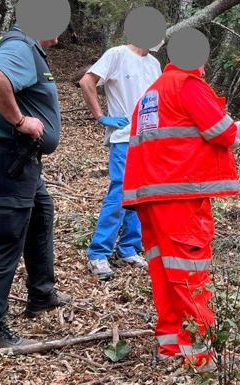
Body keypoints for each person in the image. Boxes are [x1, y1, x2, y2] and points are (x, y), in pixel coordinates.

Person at [122, 61, 240, 369]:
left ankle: (171, 345)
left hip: (150, 196)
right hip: (180, 195)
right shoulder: (187, 86)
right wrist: (236, 129)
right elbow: (224, 132)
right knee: (190, 273)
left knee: (165, 272)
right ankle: (200, 354)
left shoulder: (152, 93)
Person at [0, 26, 71, 348]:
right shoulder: (22, 45)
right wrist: (21, 121)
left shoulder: (20, 45)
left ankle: (41, 292)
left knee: (41, 212)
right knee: (7, 236)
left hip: (17, 159)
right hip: (12, 157)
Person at [78, 42, 162, 280]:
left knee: (140, 195)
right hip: (124, 138)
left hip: (149, 140)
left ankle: (128, 248)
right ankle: (98, 253)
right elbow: (87, 81)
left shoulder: (155, 64)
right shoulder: (117, 54)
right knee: (120, 192)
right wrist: (101, 117)